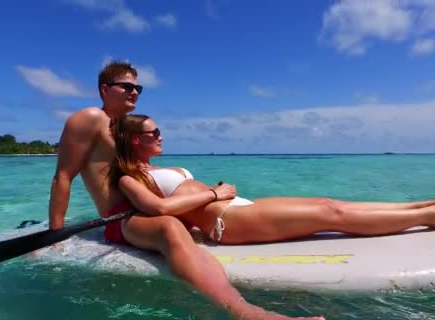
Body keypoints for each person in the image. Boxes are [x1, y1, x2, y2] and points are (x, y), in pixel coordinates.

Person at [48, 61, 318, 320]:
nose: (134, 92)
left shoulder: (125, 128)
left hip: (146, 204)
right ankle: (244, 311)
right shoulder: (90, 118)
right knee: (168, 227)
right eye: (126, 87)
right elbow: (63, 176)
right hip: (123, 217)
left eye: (138, 88)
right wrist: (55, 235)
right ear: (105, 90)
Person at [108, 114, 435, 245]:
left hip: (239, 209)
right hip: (227, 222)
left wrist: (215, 198)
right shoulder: (129, 178)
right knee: (329, 216)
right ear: (134, 139)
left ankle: (426, 205)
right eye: (153, 133)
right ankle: (431, 217)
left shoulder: (160, 169)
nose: (160, 136)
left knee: (331, 204)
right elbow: (156, 208)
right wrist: (213, 192)